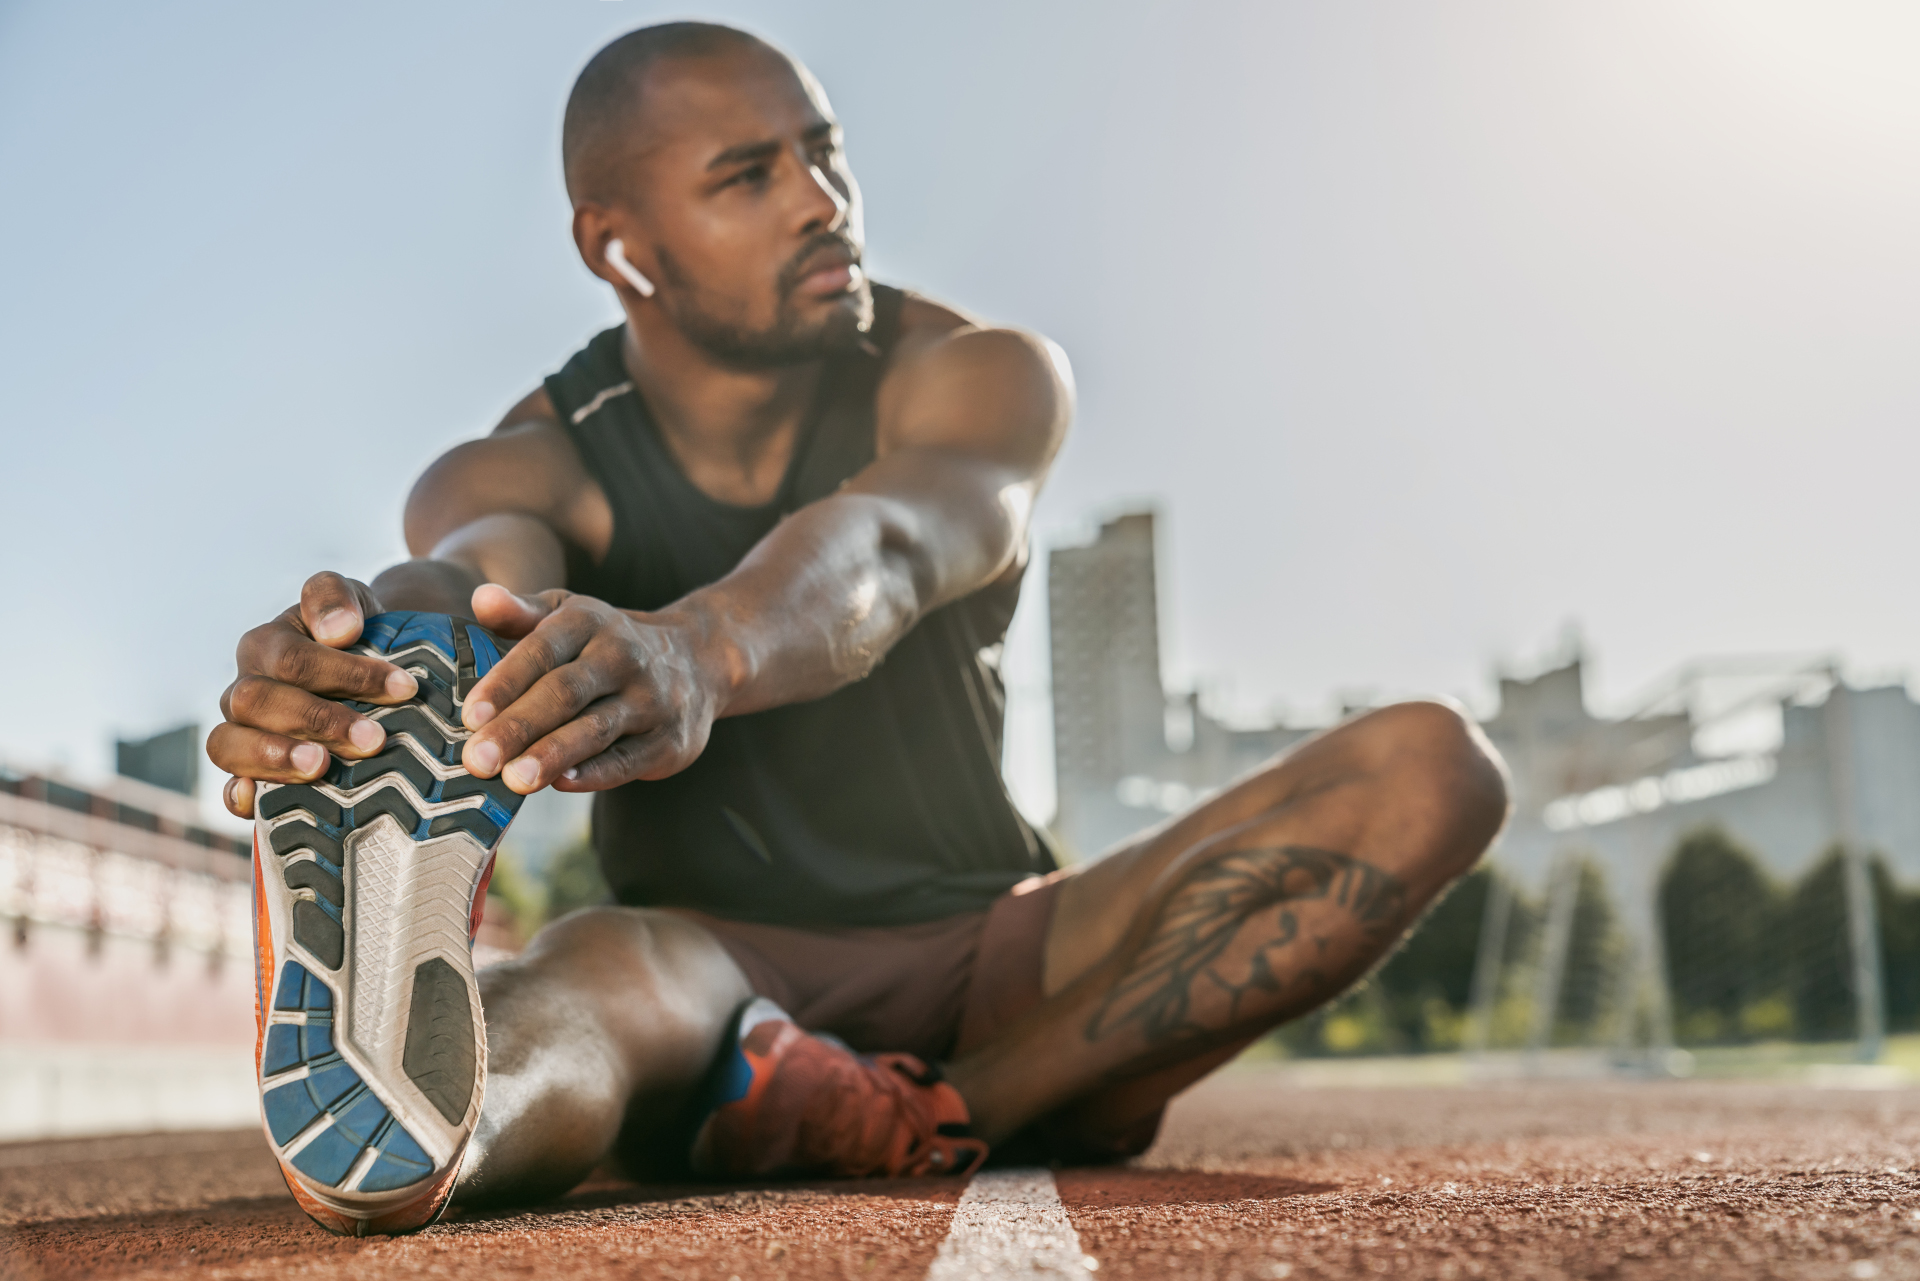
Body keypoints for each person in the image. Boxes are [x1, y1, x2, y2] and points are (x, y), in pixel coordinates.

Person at [208, 21, 1510, 1237]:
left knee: (1432, 766)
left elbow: (880, 551)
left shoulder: (976, 374)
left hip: (1005, 946)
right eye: (747, 177)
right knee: (565, 951)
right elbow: (482, 576)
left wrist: (698, 650)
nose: (822, 202)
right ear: (620, 249)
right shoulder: (529, 464)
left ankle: (943, 1107)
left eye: (823, 155)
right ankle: (430, 1122)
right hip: (709, 964)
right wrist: (362, 669)